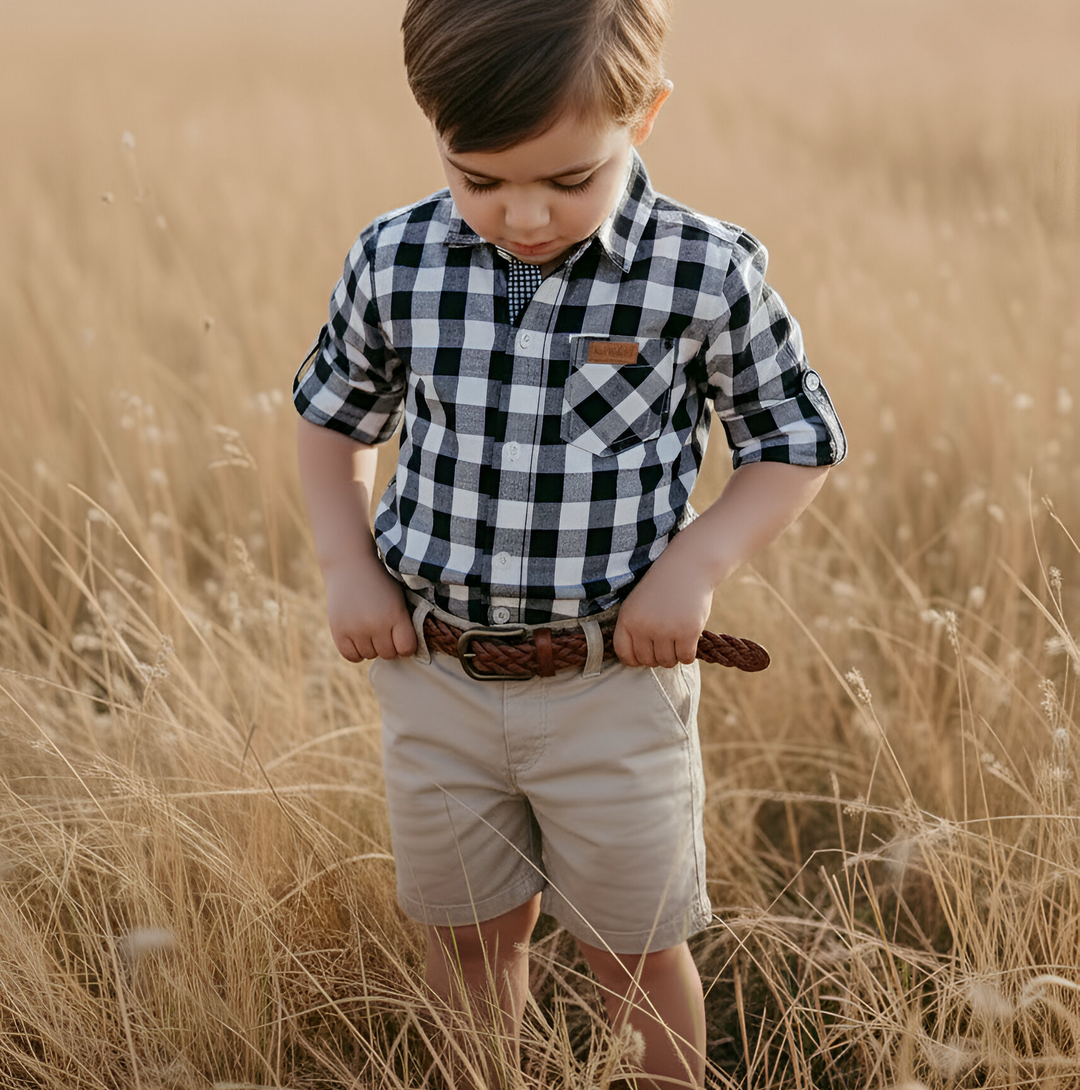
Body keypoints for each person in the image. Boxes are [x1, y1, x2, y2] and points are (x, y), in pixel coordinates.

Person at [293, 1, 846, 1085]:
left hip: (611, 685)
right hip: (435, 674)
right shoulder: (396, 256)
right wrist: (347, 564)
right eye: (481, 178)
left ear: (645, 118)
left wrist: (692, 568)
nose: (525, 215)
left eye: (567, 179)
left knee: (634, 948)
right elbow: (333, 422)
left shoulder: (704, 271)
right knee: (467, 939)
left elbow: (796, 444)